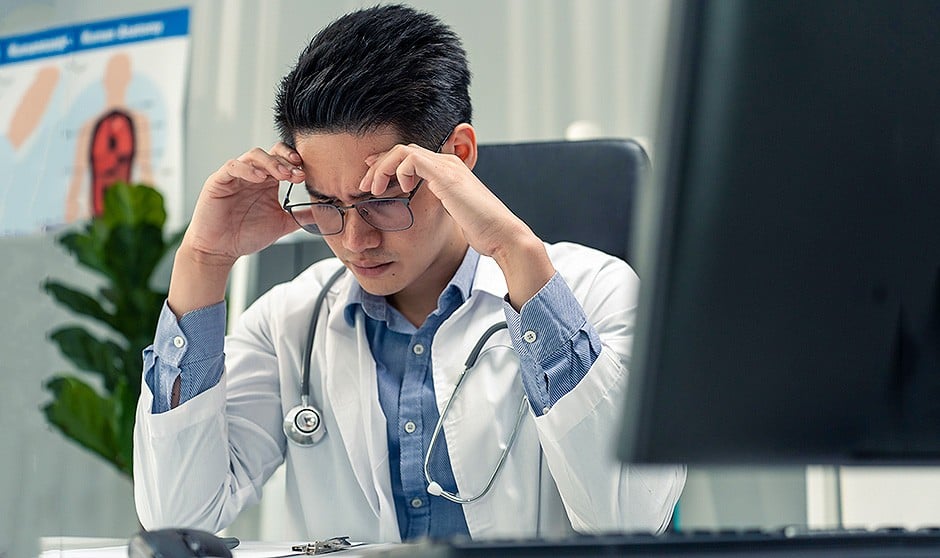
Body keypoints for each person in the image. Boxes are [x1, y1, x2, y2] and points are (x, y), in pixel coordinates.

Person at [133, 4, 685, 543]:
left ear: (458, 155)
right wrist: (203, 260)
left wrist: (517, 253)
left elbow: (630, 520)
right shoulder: (290, 323)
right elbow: (178, 518)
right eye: (326, 203)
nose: (354, 241)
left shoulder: (598, 291)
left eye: (385, 196)